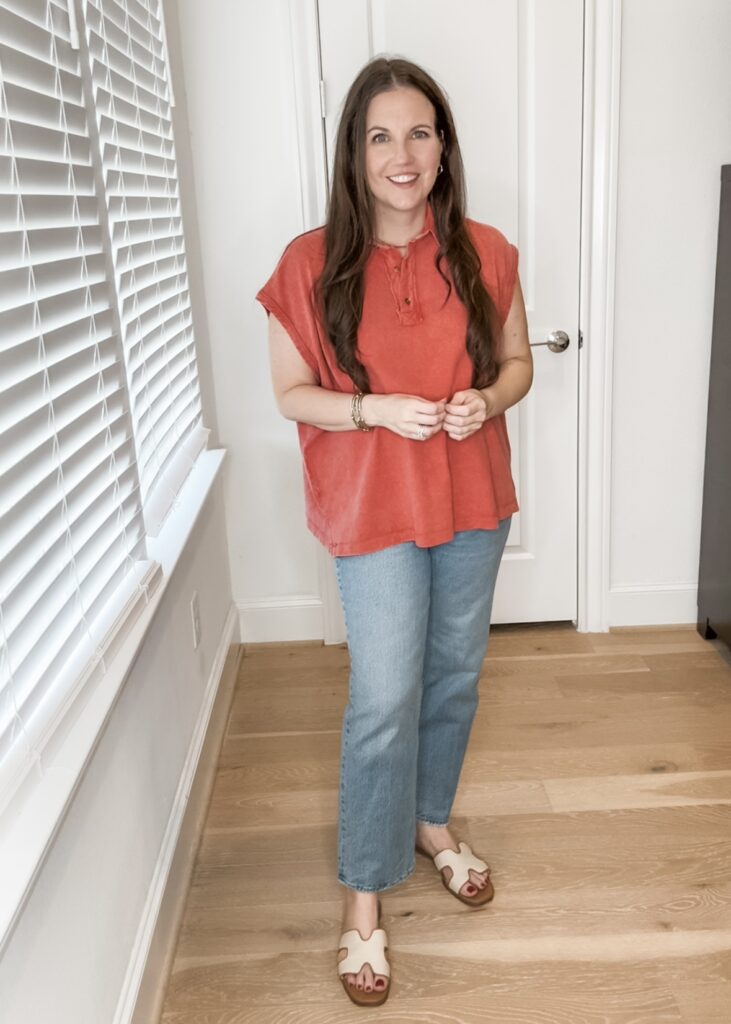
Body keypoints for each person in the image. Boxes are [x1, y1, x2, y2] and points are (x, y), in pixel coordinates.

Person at [256, 56, 532, 1007]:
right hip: (372, 508)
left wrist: (486, 399)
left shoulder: (487, 250)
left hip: (472, 499)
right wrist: (372, 409)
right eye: (380, 136)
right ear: (355, 153)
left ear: (443, 147)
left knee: (452, 675)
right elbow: (289, 393)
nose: (401, 154)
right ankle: (363, 895)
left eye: (419, 132)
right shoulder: (308, 263)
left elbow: (517, 363)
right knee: (382, 698)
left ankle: (429, 821)